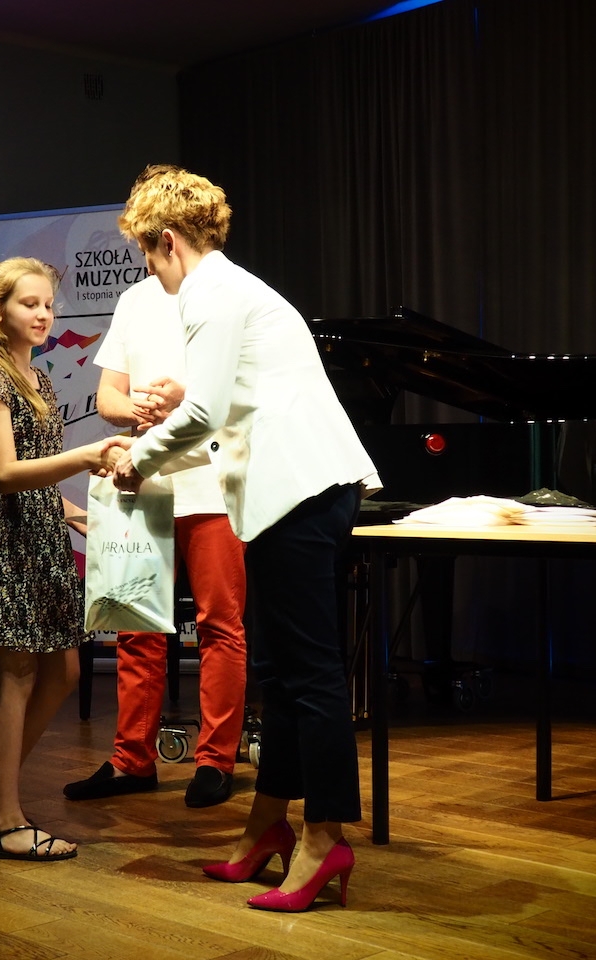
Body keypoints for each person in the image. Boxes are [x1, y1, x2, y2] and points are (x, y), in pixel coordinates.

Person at [106, 165, 381, 912]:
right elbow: (231, 400)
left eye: (148, 254)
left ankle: (325, 838)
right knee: (282, 674)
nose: (151, 271)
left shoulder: (210, 293)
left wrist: (138, 458)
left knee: (311, 675)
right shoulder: (233, 289)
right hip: (292, 495)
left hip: (300, 493)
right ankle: (267, 826)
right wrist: (176, 411)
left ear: (167, 241)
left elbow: (202, 416)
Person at [62, 274, 248, 809]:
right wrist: (139, 412)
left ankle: (215, 761)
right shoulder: (135, 299)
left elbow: (249, 395)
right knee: (135, 624)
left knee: (220, 625)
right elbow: (108, 396)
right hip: (144, 480)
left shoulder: (228, 293)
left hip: (214, 484)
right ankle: (131, 760)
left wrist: (187, 403)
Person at [0, 257, 121, 862]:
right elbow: (4, 472)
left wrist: (76, 513)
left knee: (65, 672)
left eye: (49, 304)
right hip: (6, 539)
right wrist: (86, 457)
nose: (44, 314)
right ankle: (4, 820)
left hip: (41, 535)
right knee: (18, 676)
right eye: (30, 303)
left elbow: (36, 477)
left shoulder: (37, 378)